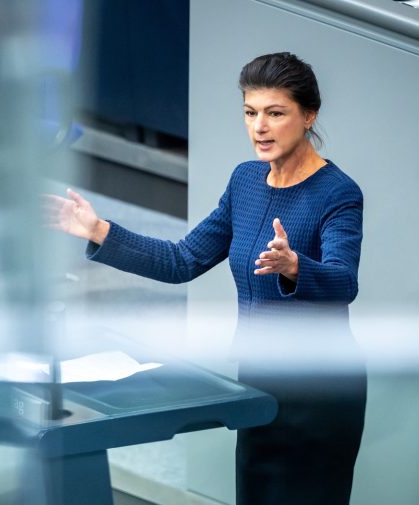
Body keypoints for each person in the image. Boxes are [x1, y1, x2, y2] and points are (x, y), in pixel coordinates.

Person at [47, 52, 366, 505]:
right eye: (251, 113)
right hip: (259, 380)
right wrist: (100, 231)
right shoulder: (246, 181)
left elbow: (343, 282)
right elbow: (182, 260)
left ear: (309, 115)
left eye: (276, 113)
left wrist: (296, 267)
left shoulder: (338, 193)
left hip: (320, 390)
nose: (260, 127)